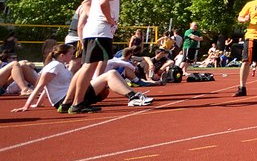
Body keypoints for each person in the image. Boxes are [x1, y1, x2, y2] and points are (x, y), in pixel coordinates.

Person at [64, 0, 130, 114]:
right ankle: (77, 103)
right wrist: (108, 19)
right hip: (100, 31)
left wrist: (93, 17)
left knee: (86, 66)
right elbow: (102, 2)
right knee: (89, 66)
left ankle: (69, 102)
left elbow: (85, 3)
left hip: (93, 30)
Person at [11, 43, 152, 113]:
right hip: (66, 99)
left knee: (108, 78)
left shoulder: (59, 66)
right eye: (70, 54)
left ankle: (133, 96)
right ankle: (133, 97)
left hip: (70, 96)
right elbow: (41, 85)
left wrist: (38, 104)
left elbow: (46, 88)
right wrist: (27, 106)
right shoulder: (55, 66)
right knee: (111, 74)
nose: (72, 57)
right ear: (61, 55)